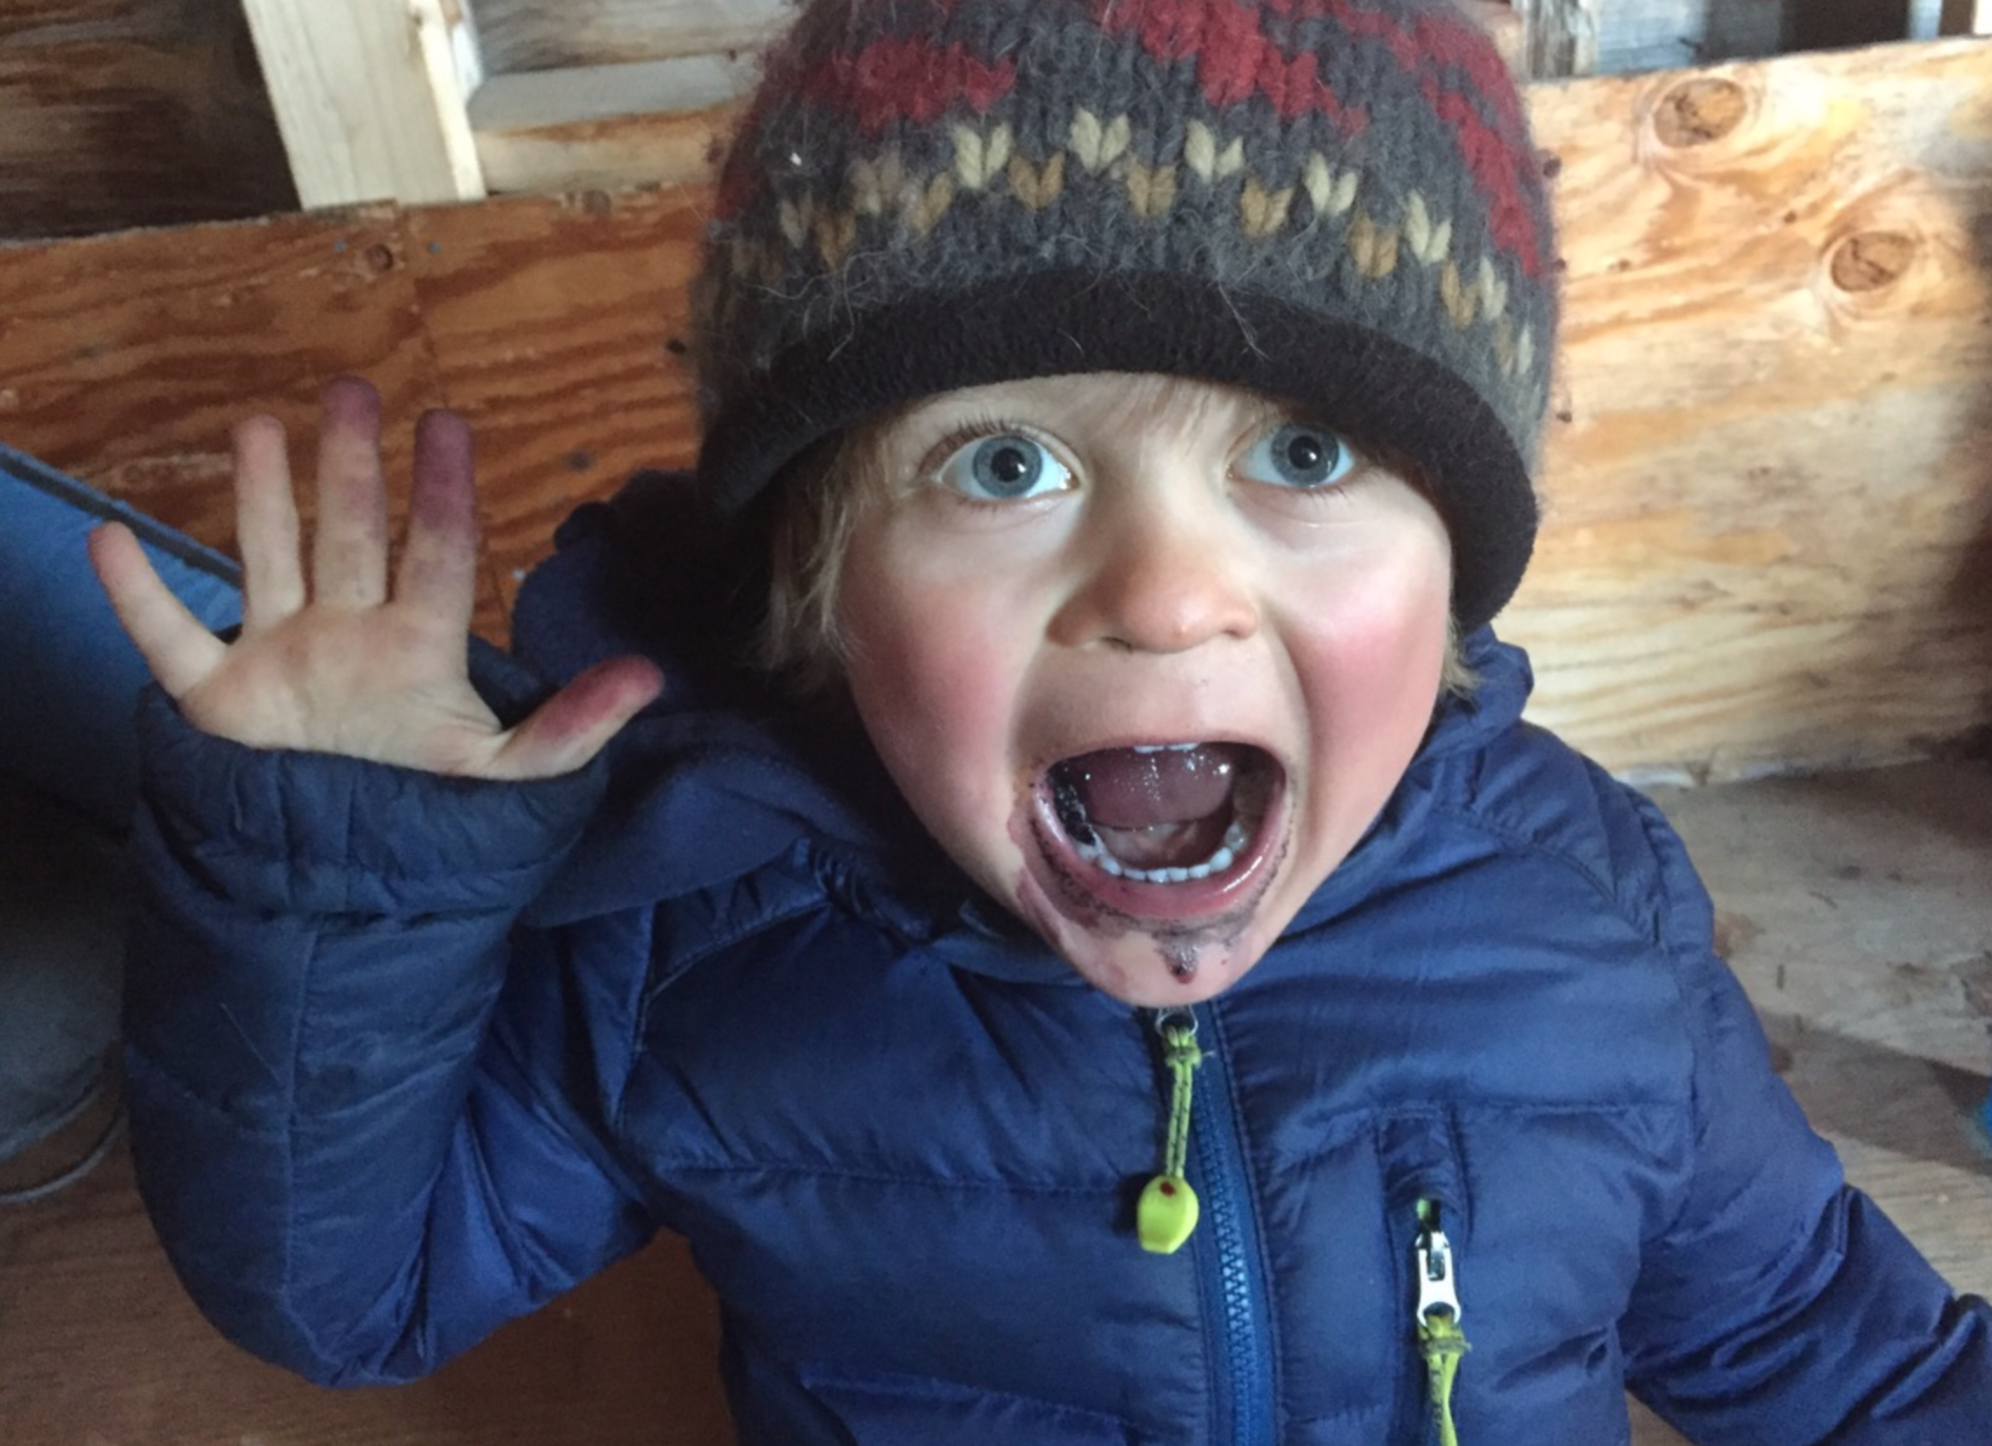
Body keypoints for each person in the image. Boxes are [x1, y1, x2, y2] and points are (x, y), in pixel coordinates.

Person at [87, 1, 1991, 1442]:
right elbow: (349, 1292)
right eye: (1004, 464)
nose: (1165, 593)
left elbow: (1820, 1335)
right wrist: (331, 875)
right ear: (818, 590)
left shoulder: (1588, 915)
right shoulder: (687, 938)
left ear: (1455, 571)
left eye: (1303, 456)